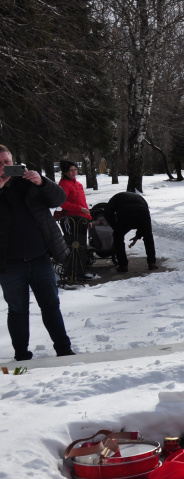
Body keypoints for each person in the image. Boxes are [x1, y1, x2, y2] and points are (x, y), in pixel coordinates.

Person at [0, 145, 74, 360]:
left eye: (7, 162)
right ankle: (21, 355)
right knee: (17, 310)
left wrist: (42, 182)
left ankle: (64, 349)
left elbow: (59, 200)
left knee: (51, 306)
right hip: (10, 265)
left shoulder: (29, 183)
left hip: (41, 258)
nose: (4, 167)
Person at [57, 160, 92, 281]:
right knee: (73, 245)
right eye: (71, 170)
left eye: (75, 170)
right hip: (70, 220)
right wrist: (79, 209)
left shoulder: (78, 184)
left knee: (81, 245)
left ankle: (81, 270)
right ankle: (72, 272)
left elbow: (83, 203)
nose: (73, 172)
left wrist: (89, 219)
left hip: (81, 220)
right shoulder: (64, 184)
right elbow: (62, 203)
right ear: (66, 172)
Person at [104, 192, 157, 272]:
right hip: (143, 212)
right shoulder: (138, 197)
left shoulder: (115, 199)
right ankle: (152, 263)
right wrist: (138, 235)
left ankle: (123, 265)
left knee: (118, 237)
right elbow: (143, 223)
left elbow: (107, 212)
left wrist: (115, 227)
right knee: (148, 236)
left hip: (126, 212)